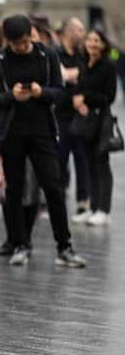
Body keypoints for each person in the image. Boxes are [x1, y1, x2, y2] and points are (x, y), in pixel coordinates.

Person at [0, 14, 86, 268]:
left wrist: (41, 93)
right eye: (14, 43)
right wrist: (12, 96)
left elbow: (60, 93)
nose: (20, 47)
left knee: (53, 185)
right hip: (12, 133)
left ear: (31, 35)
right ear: (7, 41)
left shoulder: (47, 55)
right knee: (15, 190)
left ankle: (64, 246)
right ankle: (20, 243)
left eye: (23, 41)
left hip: (42, 131)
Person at [75, 28, 117, 226]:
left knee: (101, 164)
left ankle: (104, 209)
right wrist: (77, 100)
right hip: (84, 120)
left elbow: (110, 96)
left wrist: (86, 98)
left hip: (100, 120)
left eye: (96, 40)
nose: (92, 44)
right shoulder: (84, 63)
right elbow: (79, 88)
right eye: (89, 40)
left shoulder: (108, 66)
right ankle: (92, 207)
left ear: (103, 44)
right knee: (89, 164)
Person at [55, 17, 91, 223]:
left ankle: (83, 201)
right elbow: (60, 77)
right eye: (79, 29)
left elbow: (85, 76)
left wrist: (72, 75)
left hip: (82, 116)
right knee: (60, 161)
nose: (83, 32)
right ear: (68, 31)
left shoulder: (83, 55)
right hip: (61, 115)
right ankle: (58, 200)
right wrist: (71, 75)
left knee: (82, 160)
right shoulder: (55, 54)